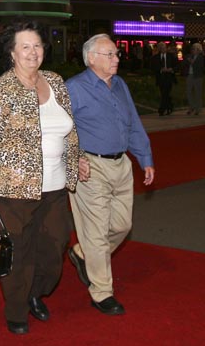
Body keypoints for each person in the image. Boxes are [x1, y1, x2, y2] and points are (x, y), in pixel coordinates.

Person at [0, 19, 80, 335]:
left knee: (54, 246)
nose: (33, 52)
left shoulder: (56, 82)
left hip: (55, 187)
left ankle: (35, 292)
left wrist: (78, 160)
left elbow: (69, 131)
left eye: (38, 46)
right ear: (12, 53)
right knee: (17, 253)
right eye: (25, 47)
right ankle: (17, 309)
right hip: (12, 190)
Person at [65, 34, 155, 315]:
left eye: (116, 54)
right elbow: (59, 129)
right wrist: (74, 158)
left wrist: (144, 158)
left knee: (122, 226)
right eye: (111, 54)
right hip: (90, 167)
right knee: (96, 233)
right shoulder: (74, 88)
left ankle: (82, 253)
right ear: (91, 58)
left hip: (121, 164)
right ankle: (102, 292)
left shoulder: (119, 85)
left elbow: (133, 123)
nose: (117, 58)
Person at [151, 41, 178, 115]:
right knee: (164, 93)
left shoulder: (171, 56)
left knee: (166, 92)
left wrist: (171, 69)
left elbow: (177, 65)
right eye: (161, 48)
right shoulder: (155, 57)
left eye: (164, 47)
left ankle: (162, 109)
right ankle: (169, 106)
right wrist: (161, 69)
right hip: (161, 78)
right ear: (159, 49)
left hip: (169, 77)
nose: (163, 49)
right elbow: (153, 67)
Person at [184, 42, 204, 115]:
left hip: (197, 76)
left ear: (198, 50)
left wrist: (192, 62)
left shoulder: (200, 58)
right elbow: (184, 63)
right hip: (189, 75)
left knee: (197, 93)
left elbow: (200, 67)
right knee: (188, 92)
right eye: (192, 49)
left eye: (194, 49)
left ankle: (198, 109)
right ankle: (191, 106)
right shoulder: (189, 56)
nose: (192, 50)